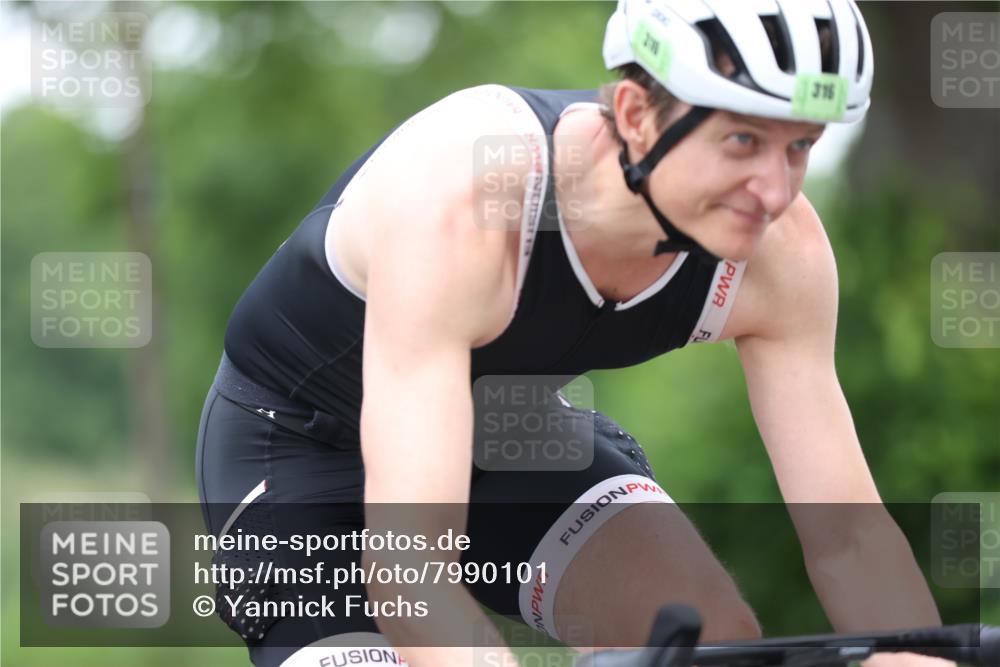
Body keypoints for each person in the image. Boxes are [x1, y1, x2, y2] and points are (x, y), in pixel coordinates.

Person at [196, 1, 952, 666]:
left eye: (800, 146)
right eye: (743, 142)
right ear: (634, 113)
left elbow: (848, 533)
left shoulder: (781, 252)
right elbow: (410, 567)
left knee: (703, 640)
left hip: (503, 432)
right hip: (298, 450)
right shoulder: (469, 197)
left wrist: (914, 653)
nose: (776, 190)